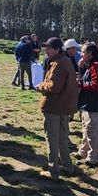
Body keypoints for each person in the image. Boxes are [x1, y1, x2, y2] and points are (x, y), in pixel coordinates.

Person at [37, 37, 80, 178]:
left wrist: (40, 86)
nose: (46, 50)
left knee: (52, 138)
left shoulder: (59, 63)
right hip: (63, 107)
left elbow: (53, 87)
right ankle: (68, 166)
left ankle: (53, 169)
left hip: (54, 106)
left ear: (57, 49)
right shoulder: (65, 61)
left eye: (49, 48)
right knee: (62, 137)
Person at [75, 42, 98, 166]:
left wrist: (80, 84)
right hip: (90, 102)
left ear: (90, 54)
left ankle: (92, 157)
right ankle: (83, 151)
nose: (81, 54)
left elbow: (97, 86)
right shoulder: (94, 64)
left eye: (83, 52)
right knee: (86, 127)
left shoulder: (97, 66)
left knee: (92, 130)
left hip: (93, 103)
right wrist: (83, 68)